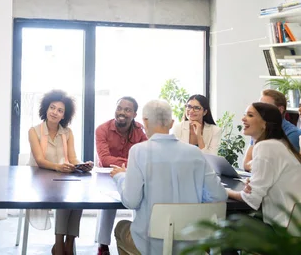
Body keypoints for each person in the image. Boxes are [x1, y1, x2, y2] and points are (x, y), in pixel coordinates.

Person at [110, 99, 227, 255]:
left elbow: (131, 201)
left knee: (121, 228)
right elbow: (218, 195)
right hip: (191, 246)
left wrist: (120, 177)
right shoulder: (195, 153)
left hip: (150, 244)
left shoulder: (139, 151)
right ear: (172, 123)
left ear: (144, 121)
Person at [28, 89, 93, 255]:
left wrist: (82, 165)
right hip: (39, 182)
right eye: (52, 107)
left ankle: (68, 243)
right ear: (46, 109)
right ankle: (59, 245)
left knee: (77, 198)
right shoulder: (34, 131)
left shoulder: (67, 133)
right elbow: (40, 160)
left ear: (64, 115)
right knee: (65, 198)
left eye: (60, 110)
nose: (55, 112)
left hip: (61, 180)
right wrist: (58, 167)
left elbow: (72, 158)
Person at [227, 102, 301, 228]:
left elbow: (251, 198)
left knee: (229, 223)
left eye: (250, 115)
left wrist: (225, 191)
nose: (243, 118)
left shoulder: (266, 146)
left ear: (264, 123)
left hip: (286, 227)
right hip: (292, 222)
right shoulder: (278, 143)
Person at [95, 97, 147, 255]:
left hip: (133, 175)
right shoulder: (102, 129)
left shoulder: (140, 131)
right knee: (108, 204)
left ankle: (138, 241)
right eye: (119, 108)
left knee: (140, 199)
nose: (122, 112)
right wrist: (130, 162)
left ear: (134, 114)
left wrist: (126, 165)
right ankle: (102, 246)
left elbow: (146, 156)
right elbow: (104, 160)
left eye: (127, 109)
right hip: (106, 175)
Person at [243, 89, 301, 171]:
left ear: (280, 110)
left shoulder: (293, 133)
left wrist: (258, 166)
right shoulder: (259, 130)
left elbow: (278, 168)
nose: (259, 110)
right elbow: (246, 163)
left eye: (265, 106)